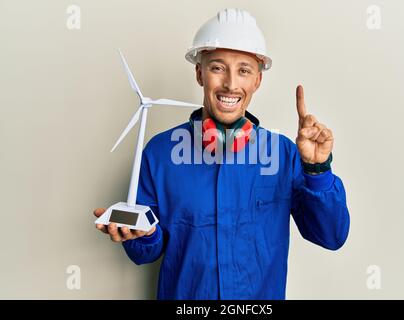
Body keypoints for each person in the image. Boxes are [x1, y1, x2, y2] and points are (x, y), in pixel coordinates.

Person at [93, 8, 350, 300]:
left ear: (257, 80)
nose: (230, 83)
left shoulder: (284, 155)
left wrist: (317, 170)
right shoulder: (160, 154)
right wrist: (142, 235)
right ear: (199, 73)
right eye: (217, 67)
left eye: (244, 70)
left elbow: (331, 236)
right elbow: (145, 253)